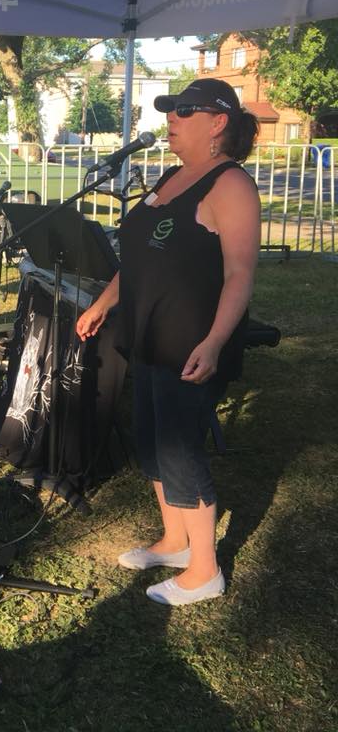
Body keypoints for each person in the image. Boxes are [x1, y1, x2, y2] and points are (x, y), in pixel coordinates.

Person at [77, 78, 260, 606]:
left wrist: (217, 340)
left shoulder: (230, 185)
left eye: (183, 110)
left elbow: (240, 274)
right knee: (151, 441)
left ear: (218, 121)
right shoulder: (173, 177)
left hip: (191, 341)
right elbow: (137, 261)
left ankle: (205, 570)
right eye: (170, 110)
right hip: (147, 334)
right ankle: (176, 542)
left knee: (180, 448)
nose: (171, 119)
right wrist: (102, 304)